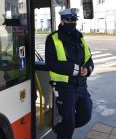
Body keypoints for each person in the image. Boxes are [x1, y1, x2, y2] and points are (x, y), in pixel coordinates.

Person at [45, 8, 94, 139]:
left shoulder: (80, 38)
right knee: (68, 122)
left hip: (81, 85)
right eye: (69, 20)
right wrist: (76, 69)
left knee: (86, 116)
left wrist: (88, 69)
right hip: (64, 87)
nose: (73, 23)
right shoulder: (53, 39)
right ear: (62, 21)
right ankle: (64, 131)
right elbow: (51, 63)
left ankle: (60, 129)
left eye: (74, 20)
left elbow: (89, 58)